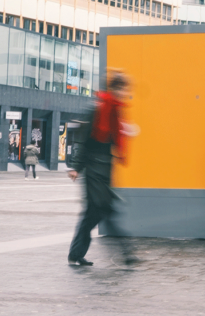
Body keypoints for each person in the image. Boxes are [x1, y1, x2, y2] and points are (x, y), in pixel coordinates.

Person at [67, 71, 137, 266]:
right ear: (114, 88)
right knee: (107, 209)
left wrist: (126, 131)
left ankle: (75, 254)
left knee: (92, 213)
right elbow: (83, 140)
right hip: (93, 168)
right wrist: (76, 167)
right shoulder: (97, 108)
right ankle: (127, 253)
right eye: (123, 89)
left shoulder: (115, 110)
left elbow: (115, 138)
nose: (125, 94)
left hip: (106, 167)